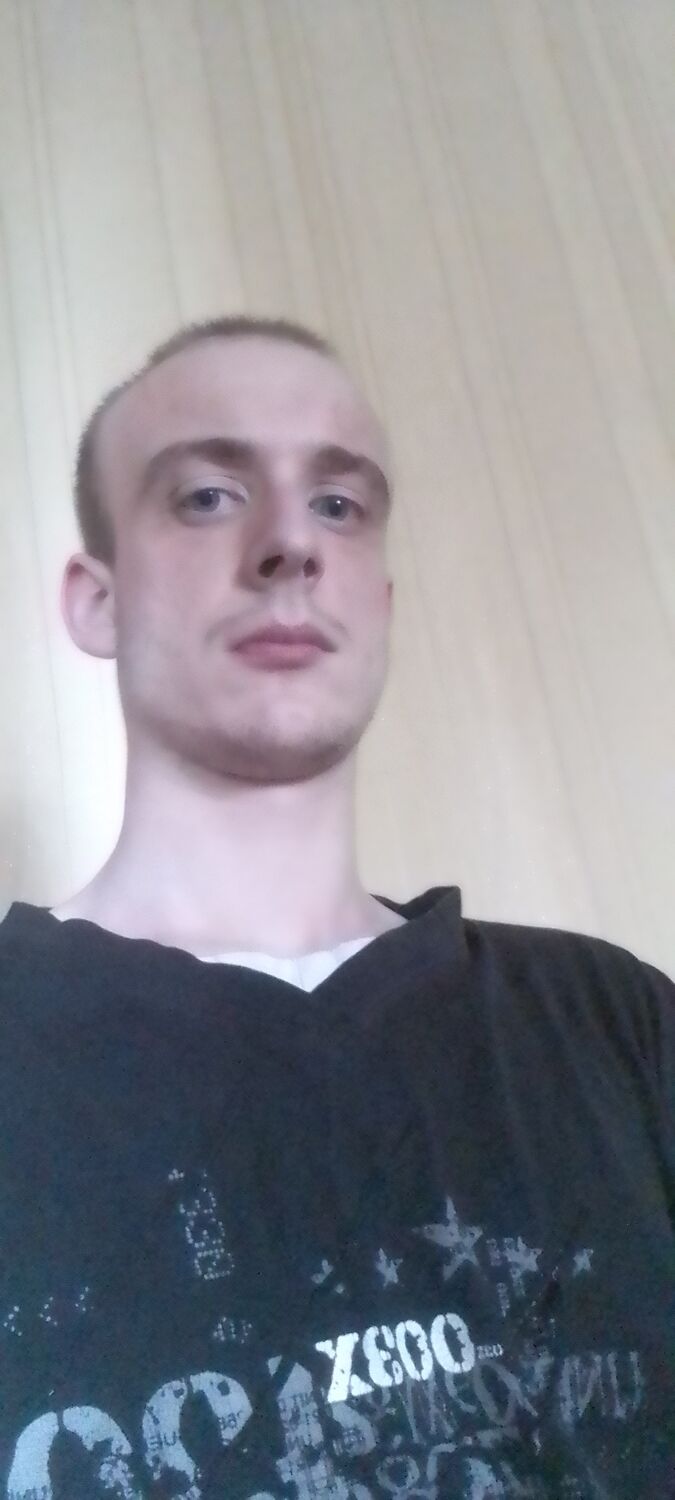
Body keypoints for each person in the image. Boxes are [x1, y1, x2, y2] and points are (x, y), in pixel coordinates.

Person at [1, 314, 673, 1500]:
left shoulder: (621, 1023)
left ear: (383, 601)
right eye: (207, 496)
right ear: (96, 601)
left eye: (339, 504)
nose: (289, 545)